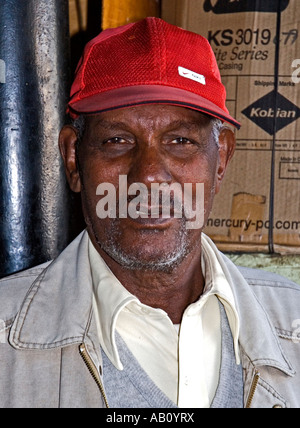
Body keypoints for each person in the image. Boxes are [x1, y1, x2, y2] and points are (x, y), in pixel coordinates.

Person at [0, 17, 299, 409]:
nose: (149, 176)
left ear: (221, 158)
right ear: (73, 159)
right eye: (117, 140)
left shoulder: (292, 325)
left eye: (180, 140)